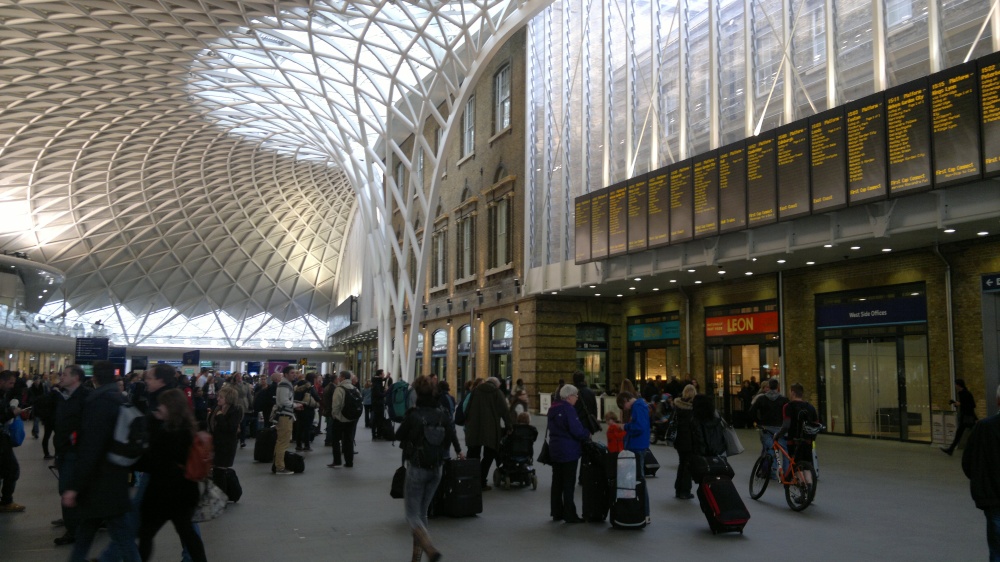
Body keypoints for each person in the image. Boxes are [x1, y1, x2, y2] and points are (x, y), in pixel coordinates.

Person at [62, 361, 141, 562]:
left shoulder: (97, 401)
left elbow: (91, 448)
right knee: (89, 534)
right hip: (114, 477)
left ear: (94, 378)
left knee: (117, 537)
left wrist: (75, 486)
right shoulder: (119, 399)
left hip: (99, 483)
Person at [137, 388, 207, 562]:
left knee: (146, 534)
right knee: (188, 534)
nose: (159, 408)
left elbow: (152, 460)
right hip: (184, 493)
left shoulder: (167, 432)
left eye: (162, 405)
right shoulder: (188, 428)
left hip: (164, 494)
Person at [395, 375, 459, 562]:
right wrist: (457, 449)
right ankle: (416, 556)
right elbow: (451, 436)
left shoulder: (414, 415)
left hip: (417, 467)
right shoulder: (442, 414)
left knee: (412, 515)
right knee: (423, 512)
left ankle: (428, 547)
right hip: (436, 468)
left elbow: (399, 435)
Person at [53, 365, 90, 546]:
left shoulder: (85, 398)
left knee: (67, 489)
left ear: (75, 378)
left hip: (73, 452)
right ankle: (72, 520)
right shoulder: (64, 396)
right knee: (68, 488)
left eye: (65, 375)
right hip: (64, 450)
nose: (61, 377)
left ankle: (74, 528)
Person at [962, 384, 1000, 562]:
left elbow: (969, 463)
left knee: (998, 551)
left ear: (998, 401)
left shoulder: (984, 428)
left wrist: (982, 483)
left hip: (994, 499)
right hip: (993, 499)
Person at [547, 384, 591, 523]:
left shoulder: (552, 409)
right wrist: (587, 433)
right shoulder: (569, 410)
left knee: (557, 482)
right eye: (576, 395)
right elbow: (576, 430)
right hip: (569, 451)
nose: (577, 398)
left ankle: (556, 512)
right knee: (568, 483)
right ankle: (569, 514)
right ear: (569, 396)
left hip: (555, 449)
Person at [464, 377, 510, 490]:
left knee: (473, 455)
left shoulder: (475, 391)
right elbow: (505, 410)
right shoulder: (497, 393)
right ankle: (481, 481)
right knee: (489, 455)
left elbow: (467, 409)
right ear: (496, 385)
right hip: (491, 429)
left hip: (474, 428)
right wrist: (509, 426)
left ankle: (471, 481)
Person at [614, 391, 652, 524]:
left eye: (623, 406)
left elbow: (639, 427)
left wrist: (625, 426)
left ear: (626, 400)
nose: (625, 409)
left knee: (639, 479)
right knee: (637, 479)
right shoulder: (640, 406)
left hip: (637, 446)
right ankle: (642, 511)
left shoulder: (638, 407)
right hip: (637, 445)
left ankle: (644, 511)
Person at [774, 383, 818, 484]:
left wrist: (778, 435)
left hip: (793, 441)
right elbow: (816, 424)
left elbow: (786, 426)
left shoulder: (788, 406)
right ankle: (809, 487)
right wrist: (812, 439)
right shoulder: (810, 407)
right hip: (807, 441)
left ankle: (801, 485)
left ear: (793, 393)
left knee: (796, 465)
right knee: (807, 465)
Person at [747, 378, 788, 478]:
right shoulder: (784, 400)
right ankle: (787, 473)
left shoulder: (761, 399)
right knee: (785, 451)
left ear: (769, 387)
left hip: (766, 428)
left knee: (770, 449)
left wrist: (758, 422)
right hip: (779, 428)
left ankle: (772, 472)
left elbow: (751, 412)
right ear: (778, 387)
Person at [0, 370, 24, 512]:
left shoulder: (4, 394)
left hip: (3, 437)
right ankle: (6, 501)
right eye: (10, 383)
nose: (12, 386)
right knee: (12, 469)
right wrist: (11, 413)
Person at [328, 370, 359, 468]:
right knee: (348, 440)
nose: (338, 378)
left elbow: (336, 404)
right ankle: (349, 462)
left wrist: (334, 415)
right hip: (351, 419)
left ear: (342, 378)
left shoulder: (339, 389)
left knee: (336, 440)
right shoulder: (354, 388)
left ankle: (337, 461)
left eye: (339, 376)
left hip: (340, 418)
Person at [671, 384, 696, 500]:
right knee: (688, 466)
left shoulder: (677, 405)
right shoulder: (693, 408)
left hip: (679, 439)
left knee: (682, 463)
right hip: (690, 440)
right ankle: (685, 491)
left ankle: (678, 489)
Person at [208, 385, 242, 469]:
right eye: (218, 396)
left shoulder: (235, 410)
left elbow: (230, 429)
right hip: (215, 443)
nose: (218, 399)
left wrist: (220, 417)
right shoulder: (216, 408)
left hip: (226, 445)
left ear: (228, 398)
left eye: (221, 397)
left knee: (222, 469)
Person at [943, 378, 978, 456]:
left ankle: (951, 449)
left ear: (959, 385)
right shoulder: (961, 393)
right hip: (965, 417)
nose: (955, 386)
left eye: (955, 384)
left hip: (967, 417)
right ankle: (951, 449)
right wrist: (955, 403)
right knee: (960, 433)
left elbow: (972, 405)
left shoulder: (965, 393)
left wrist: (960, 404)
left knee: (969, 434)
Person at [572, 370, 600, 435]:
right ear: (583, 379)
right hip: (587, 424)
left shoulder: (571, 393)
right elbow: (594, 409)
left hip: (575, 423)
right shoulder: (590, 392)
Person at [370, 369, 387, 441]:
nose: (384, 375)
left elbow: (383, 380)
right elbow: (378, 394)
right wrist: (385, 393)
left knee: (377, 419)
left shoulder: (376, 381)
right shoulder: (377, 383)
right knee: (378, 419)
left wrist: (387, 378)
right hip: (378, 404)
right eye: (383, 374)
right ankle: (377, 434)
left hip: (376, 403)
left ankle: (377, 434)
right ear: (380, 375)